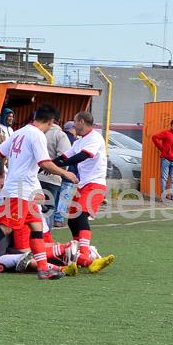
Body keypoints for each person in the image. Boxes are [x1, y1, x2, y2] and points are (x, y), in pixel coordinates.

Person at [0, 103, 79, 280]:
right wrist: (65, 173)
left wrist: (1, 176)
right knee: (5, 227)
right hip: (20, 190)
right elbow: (44, 163)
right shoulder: (37, 135)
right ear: (51, 122)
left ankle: (43, 269)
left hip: (25, 190)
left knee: (36, 228)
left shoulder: (18, 132)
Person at [52, 111, 115, 273]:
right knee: (72, 219)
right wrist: (50, 164)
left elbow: (83, 156)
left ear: (81, 121)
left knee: (80, 215)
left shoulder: (95, 138)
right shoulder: (80, 140)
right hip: (83, 185)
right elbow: (68, 154)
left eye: (75, 122)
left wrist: (62, 164)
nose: (73, 125)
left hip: (95, 184)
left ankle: (85, 255)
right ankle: (79, 253)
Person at [38, 117, 72, 227]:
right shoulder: (60, 135)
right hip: (51, 178)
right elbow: (64, 158)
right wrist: (62, 172)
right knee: (49, 208)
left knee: (35, 208)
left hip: (34, 177)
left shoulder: (38, 133)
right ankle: (46, 238)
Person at [54, 121, 78, 227]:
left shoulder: (60, 137)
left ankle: (53, 216)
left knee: (56, 196)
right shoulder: (74, 141)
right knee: (64, 197)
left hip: (56, 172)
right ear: (72, 128)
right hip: (69, 172)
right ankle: (59, 218)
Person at [151, 119, 173, 200]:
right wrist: (162, 149)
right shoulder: (166, 133)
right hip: (166, 159)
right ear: (171, 126)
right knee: (164, 178)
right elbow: (154, 137)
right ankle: (164, 196)